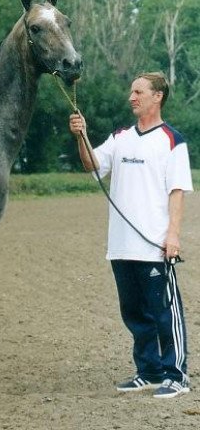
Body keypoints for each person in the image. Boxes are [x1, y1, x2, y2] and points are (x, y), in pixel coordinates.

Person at [69, 72, 193, 399]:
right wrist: (81, 137)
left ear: (157, 97)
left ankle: (176, 374)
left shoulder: (172, 141)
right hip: (121, 246)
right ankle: (149, 371)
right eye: (131, 92)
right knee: (135, 314)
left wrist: (173, 237)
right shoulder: (120, 137)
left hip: (154, 246)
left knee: (164, 313)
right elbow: (92, 165)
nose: (131, 97)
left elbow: (177, 192)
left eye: (138, 92)